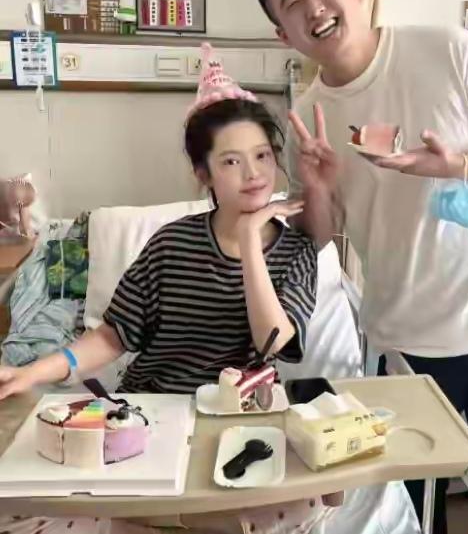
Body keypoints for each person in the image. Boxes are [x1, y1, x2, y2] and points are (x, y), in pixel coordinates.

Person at [257, 0, 468, 533]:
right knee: (417, 506)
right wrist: (318, 187)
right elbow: (323, 234)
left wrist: (461, 164)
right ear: (282, 34)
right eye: (291, 3)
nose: (313, 8)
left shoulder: (448, 50)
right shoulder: (310, 118)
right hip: (406, 339)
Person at [0, 45, 326, 534]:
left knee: (307, 502)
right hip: (151, 411)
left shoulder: (296, 250)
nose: (254, 173)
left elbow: (272, 342)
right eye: (231, 161)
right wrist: (32, 373)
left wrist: (250, 242)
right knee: (19, 506)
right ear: (204, 174)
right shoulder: (172, 243)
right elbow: (112, 336)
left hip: (239, 419)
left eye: (262, 156)